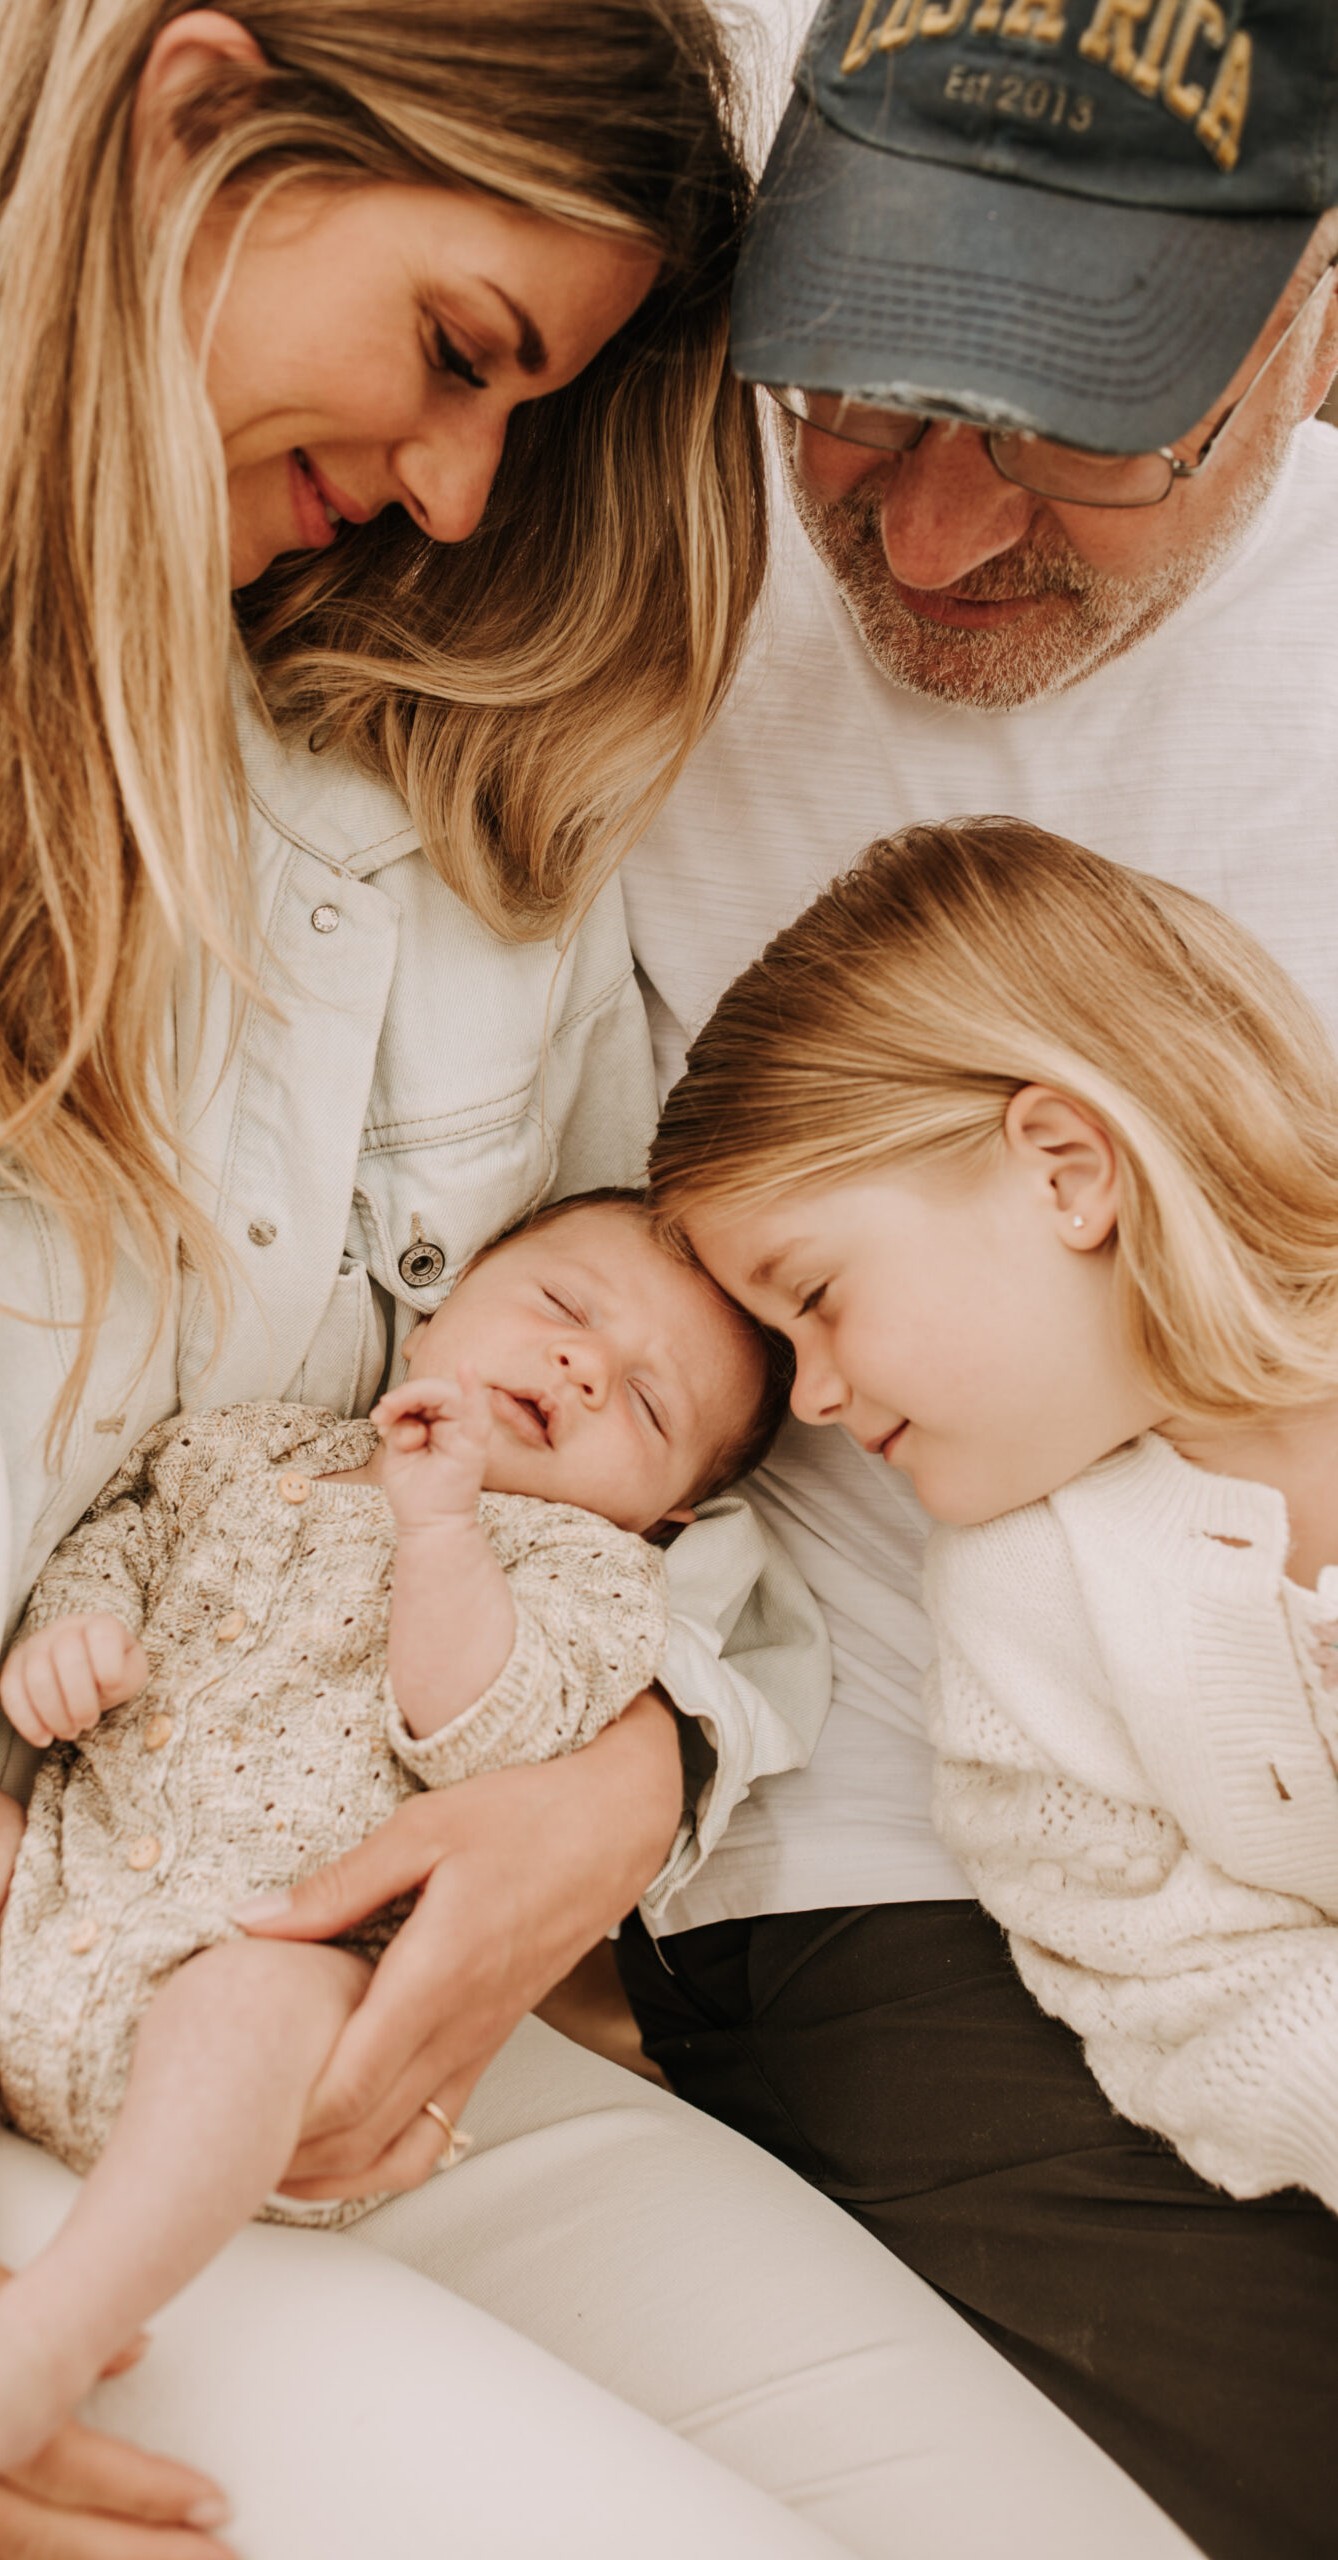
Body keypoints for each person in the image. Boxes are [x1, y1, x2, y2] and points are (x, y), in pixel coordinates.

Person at [0, 4, 1193, 2558]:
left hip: (302, 1980)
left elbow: (673, 1451)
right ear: (193, 112)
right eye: (458, 352)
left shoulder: (416, 790)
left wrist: (623, 1779)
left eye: (530, 409)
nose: (464, 494)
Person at [614, 4, 1338, 2555]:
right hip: (906, 1839)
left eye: (1072, 424)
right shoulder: (615, 618)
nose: (924, 540)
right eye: (848, 395)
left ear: (1310, 313)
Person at [0, 1195, 782, 2535]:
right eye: (558, 1307)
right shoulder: (255, 1445)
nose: (585, 1366)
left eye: (647, 1405)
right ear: (439, 1305)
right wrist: (76, 1631)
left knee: (253, 1999)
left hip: (283, 1995)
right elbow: (127, 1535)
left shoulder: (588, 1580)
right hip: (63, 1888)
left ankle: (48, 2335)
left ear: (668, 1514)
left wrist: (439, 1527)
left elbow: (486, 1734)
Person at [653, 813, 1338, 2208]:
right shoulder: (1026, 1618)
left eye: (817, 1299)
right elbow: (1193, 2002)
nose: (818, 1400)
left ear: (1066, 1171)